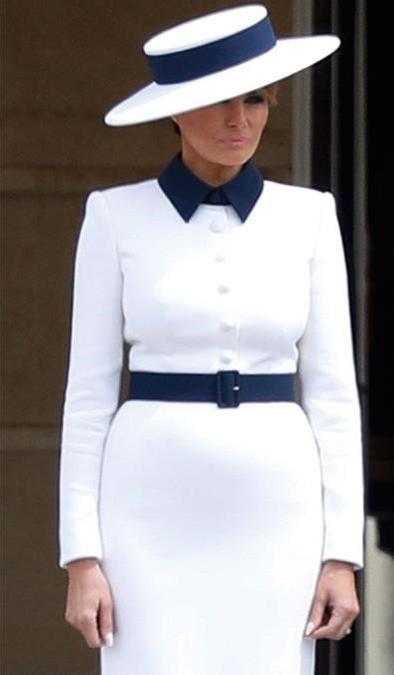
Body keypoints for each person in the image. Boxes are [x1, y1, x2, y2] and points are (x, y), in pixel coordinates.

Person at [59, 6, 362, 672]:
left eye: (256, 100)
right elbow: (86, 395)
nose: (240, 120)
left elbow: (335, 395)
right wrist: (82, 555)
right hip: (146, 507)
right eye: (219, 103)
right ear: (176, 111)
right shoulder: (114, 216)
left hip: (277, 505)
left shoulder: (310, 217)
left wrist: (341, 552)